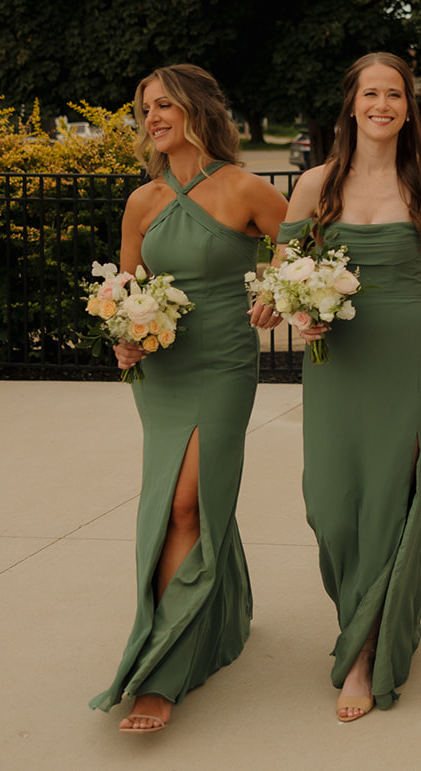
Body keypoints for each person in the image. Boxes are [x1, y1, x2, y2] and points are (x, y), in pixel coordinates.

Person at [265, 52, 421, 722]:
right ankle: (366, 617)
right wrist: (293, 307)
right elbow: (282, 273)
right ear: (351, 103)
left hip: (407, 354)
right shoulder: (315, 185)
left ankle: (364, 650)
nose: (383, 104)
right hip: (336, 362)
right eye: (371, 93)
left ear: (409, 107)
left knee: (390, 498)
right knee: (331, 505)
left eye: (396, 94)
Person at [91, 64, 288, 733]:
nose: (153, 117)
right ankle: (222, 615)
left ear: (199, 110)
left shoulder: (245, 188)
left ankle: (162, 674)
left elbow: (302, 250)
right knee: (187, 504)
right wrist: (124, 337)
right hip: (163, 371)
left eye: (166, 104)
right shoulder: (142, 201)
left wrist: (272, 293)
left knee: (183, 504)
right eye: (146, 108)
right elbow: (127, 284)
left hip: (225, 364)